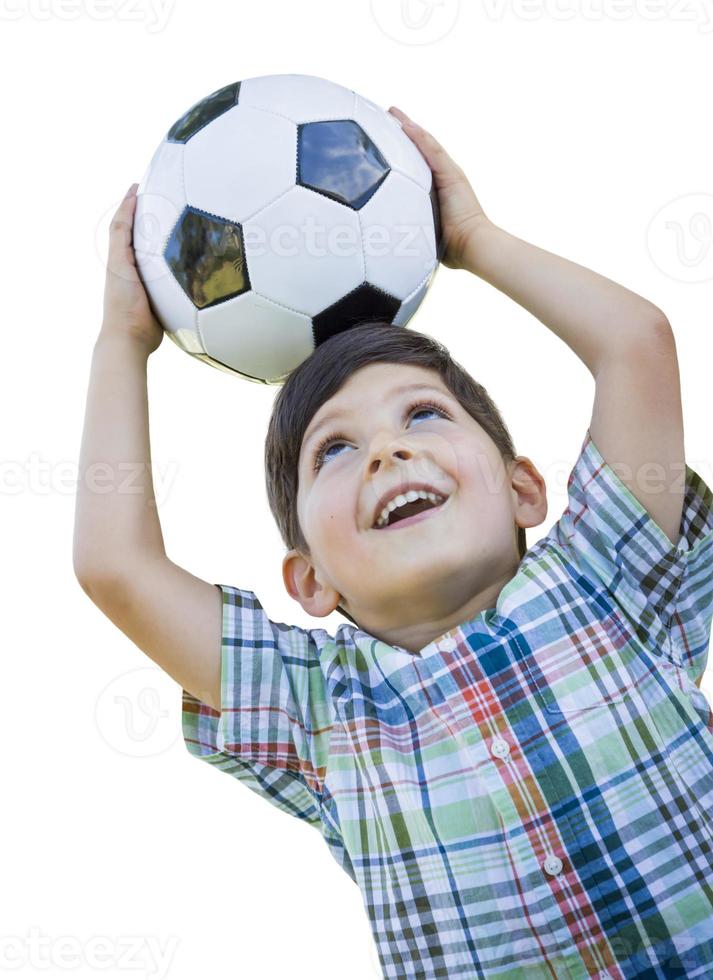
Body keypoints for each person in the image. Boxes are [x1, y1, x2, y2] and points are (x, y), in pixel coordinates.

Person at [74, 106, 713, 979]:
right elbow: (115, 566)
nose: (386, 449)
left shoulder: (607, 574)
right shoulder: (320, 711)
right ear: (309, 579)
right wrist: (123, 341)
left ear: (525, 489)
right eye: (334, 450)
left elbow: (635, 344)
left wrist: (474, 240)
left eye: (423, 414)